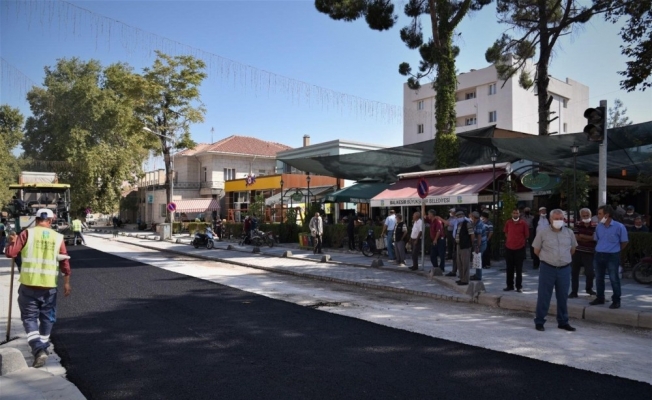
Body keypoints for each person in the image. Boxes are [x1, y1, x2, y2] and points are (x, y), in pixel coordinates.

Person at [4, 208, 71, 368]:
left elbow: (11, 253)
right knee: (47, 318)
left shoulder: (27, 234)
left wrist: (11, 242)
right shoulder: (57, 237)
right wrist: (67, 282)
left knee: (29, 318)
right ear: (51, 220)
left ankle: (38, 348)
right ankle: (43, 346)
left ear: (36, 219)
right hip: (49, 286)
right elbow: (65, 262)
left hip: (29, 285)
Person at [532, 209, 578, 332]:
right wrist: (548, 258)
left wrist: (563, 259)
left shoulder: (569, 232)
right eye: (556, 219)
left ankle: (563, 321)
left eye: (561, 219)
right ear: (550, 219)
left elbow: (572, 249)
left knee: (563, 296)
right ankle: (540, 321)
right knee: (544, 296)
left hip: (564, 269)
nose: (558, 221)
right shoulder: (543, 233)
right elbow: (536, 250)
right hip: (547, 268)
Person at [591, 205, 629, 309]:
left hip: (612, 255)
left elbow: (624, 241)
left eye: (600, 214)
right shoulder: (599, 226)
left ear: (606, 215)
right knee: (599, 278)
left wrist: (615, 250)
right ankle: (600, 298)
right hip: (599, 254)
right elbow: (597, 239)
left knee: (614, 278)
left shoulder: (619, 227)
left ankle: (616, 300)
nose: (598, 216)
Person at [570, 208, 596, 298]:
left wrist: (582, 236)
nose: (585, 217)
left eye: (587, 215)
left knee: (590, 273)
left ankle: (589, 289)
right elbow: (576, 237)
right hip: (577, 251)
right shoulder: (577, 224)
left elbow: (594, 238)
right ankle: (574, 291)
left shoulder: (595, 225)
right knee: (574, 273)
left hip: (589, 252)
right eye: (583, 216)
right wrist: (588, 238)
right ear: (581, 216)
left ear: (590, 215)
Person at [504, 208, 529, 292]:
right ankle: (509, 285)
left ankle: (519, 286)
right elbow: (506, 233)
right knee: (509, 268)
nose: (515, 214)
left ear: (519, 214)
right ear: (512, 214)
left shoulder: (523, 223)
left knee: (519, 269)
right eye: (514, 213)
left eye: (517, 213)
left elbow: (526, 235)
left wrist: (520, 242)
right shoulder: (508, 222)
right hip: (509, 247)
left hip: (520, 248)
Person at [470, 211, 486, 281]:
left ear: (474, 217)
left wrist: (477, 247)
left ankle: (478, 276)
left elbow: (479, 237)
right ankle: (477, 274)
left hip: (481, 244)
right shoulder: (476, 223)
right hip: (480, 244)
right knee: (477, 259)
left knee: (478, 259)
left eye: (471, 217)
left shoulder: (479, 224)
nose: (471, 218)